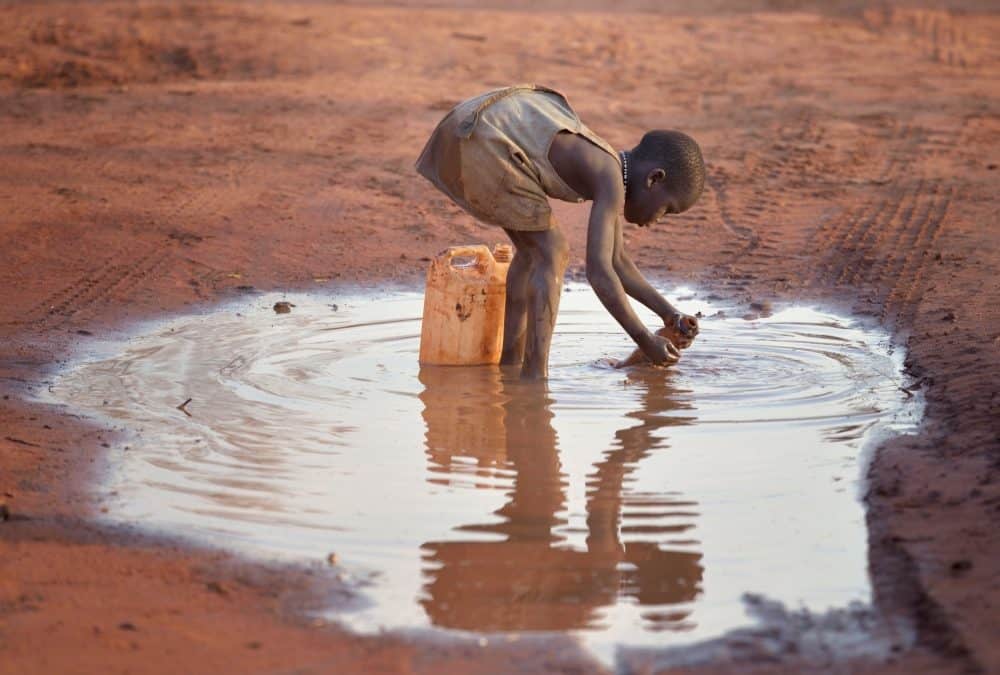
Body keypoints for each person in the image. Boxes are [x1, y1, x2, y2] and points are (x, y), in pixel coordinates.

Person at [416, 84, 704, 379]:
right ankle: (534, 380)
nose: (658, 220)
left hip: (467, 128)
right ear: (654, 179)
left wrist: (670, 314)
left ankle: (511, 366)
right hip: (483, 139)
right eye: (666, 209)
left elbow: (618, 263)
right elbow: (599, 273)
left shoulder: (610, 168)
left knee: (531, 256)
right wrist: (644, 339)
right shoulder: (610, 180)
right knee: (551, 251)